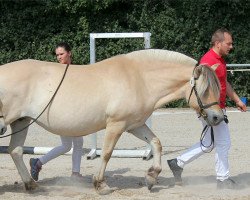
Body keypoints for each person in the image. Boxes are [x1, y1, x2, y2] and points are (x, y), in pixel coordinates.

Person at [167, 28, 247, 189]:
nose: (231, 46)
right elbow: (199, 90)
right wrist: (205, 112)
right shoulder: (208, 61)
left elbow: (225, 84)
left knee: (208, 144)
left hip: (218, 109)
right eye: (228, 43)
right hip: (211, 111)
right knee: (222, 142)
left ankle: (178, 163)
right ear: (218, 43)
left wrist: (237, 100)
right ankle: (222, 180)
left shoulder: (220, 59)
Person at [30, 42, 84, 181]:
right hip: (64, 112)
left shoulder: (77, 69)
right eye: (57, 55)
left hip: (73, 111)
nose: (59, 57)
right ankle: (74, 173)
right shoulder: (57, 71)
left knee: (69, 145)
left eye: (61, 54)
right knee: (73, 144)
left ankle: (39, 162)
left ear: (69, 53)